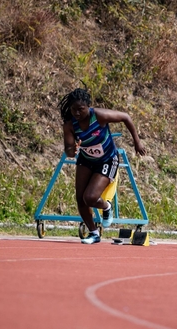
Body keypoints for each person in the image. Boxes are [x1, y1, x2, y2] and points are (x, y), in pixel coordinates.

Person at [58, 88, 146, 244]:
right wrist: (73, 150)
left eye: (81, 109)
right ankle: (94, 233)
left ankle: (106, 207)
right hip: (86, 160)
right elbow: (69, 151)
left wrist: (137, 142)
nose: (77, 113)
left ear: (88, 106)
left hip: (107, 160)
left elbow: (125, 117)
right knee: (80, 199)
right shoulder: (70, 125)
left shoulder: (99, 116)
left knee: (90, 197)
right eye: (73, 109)